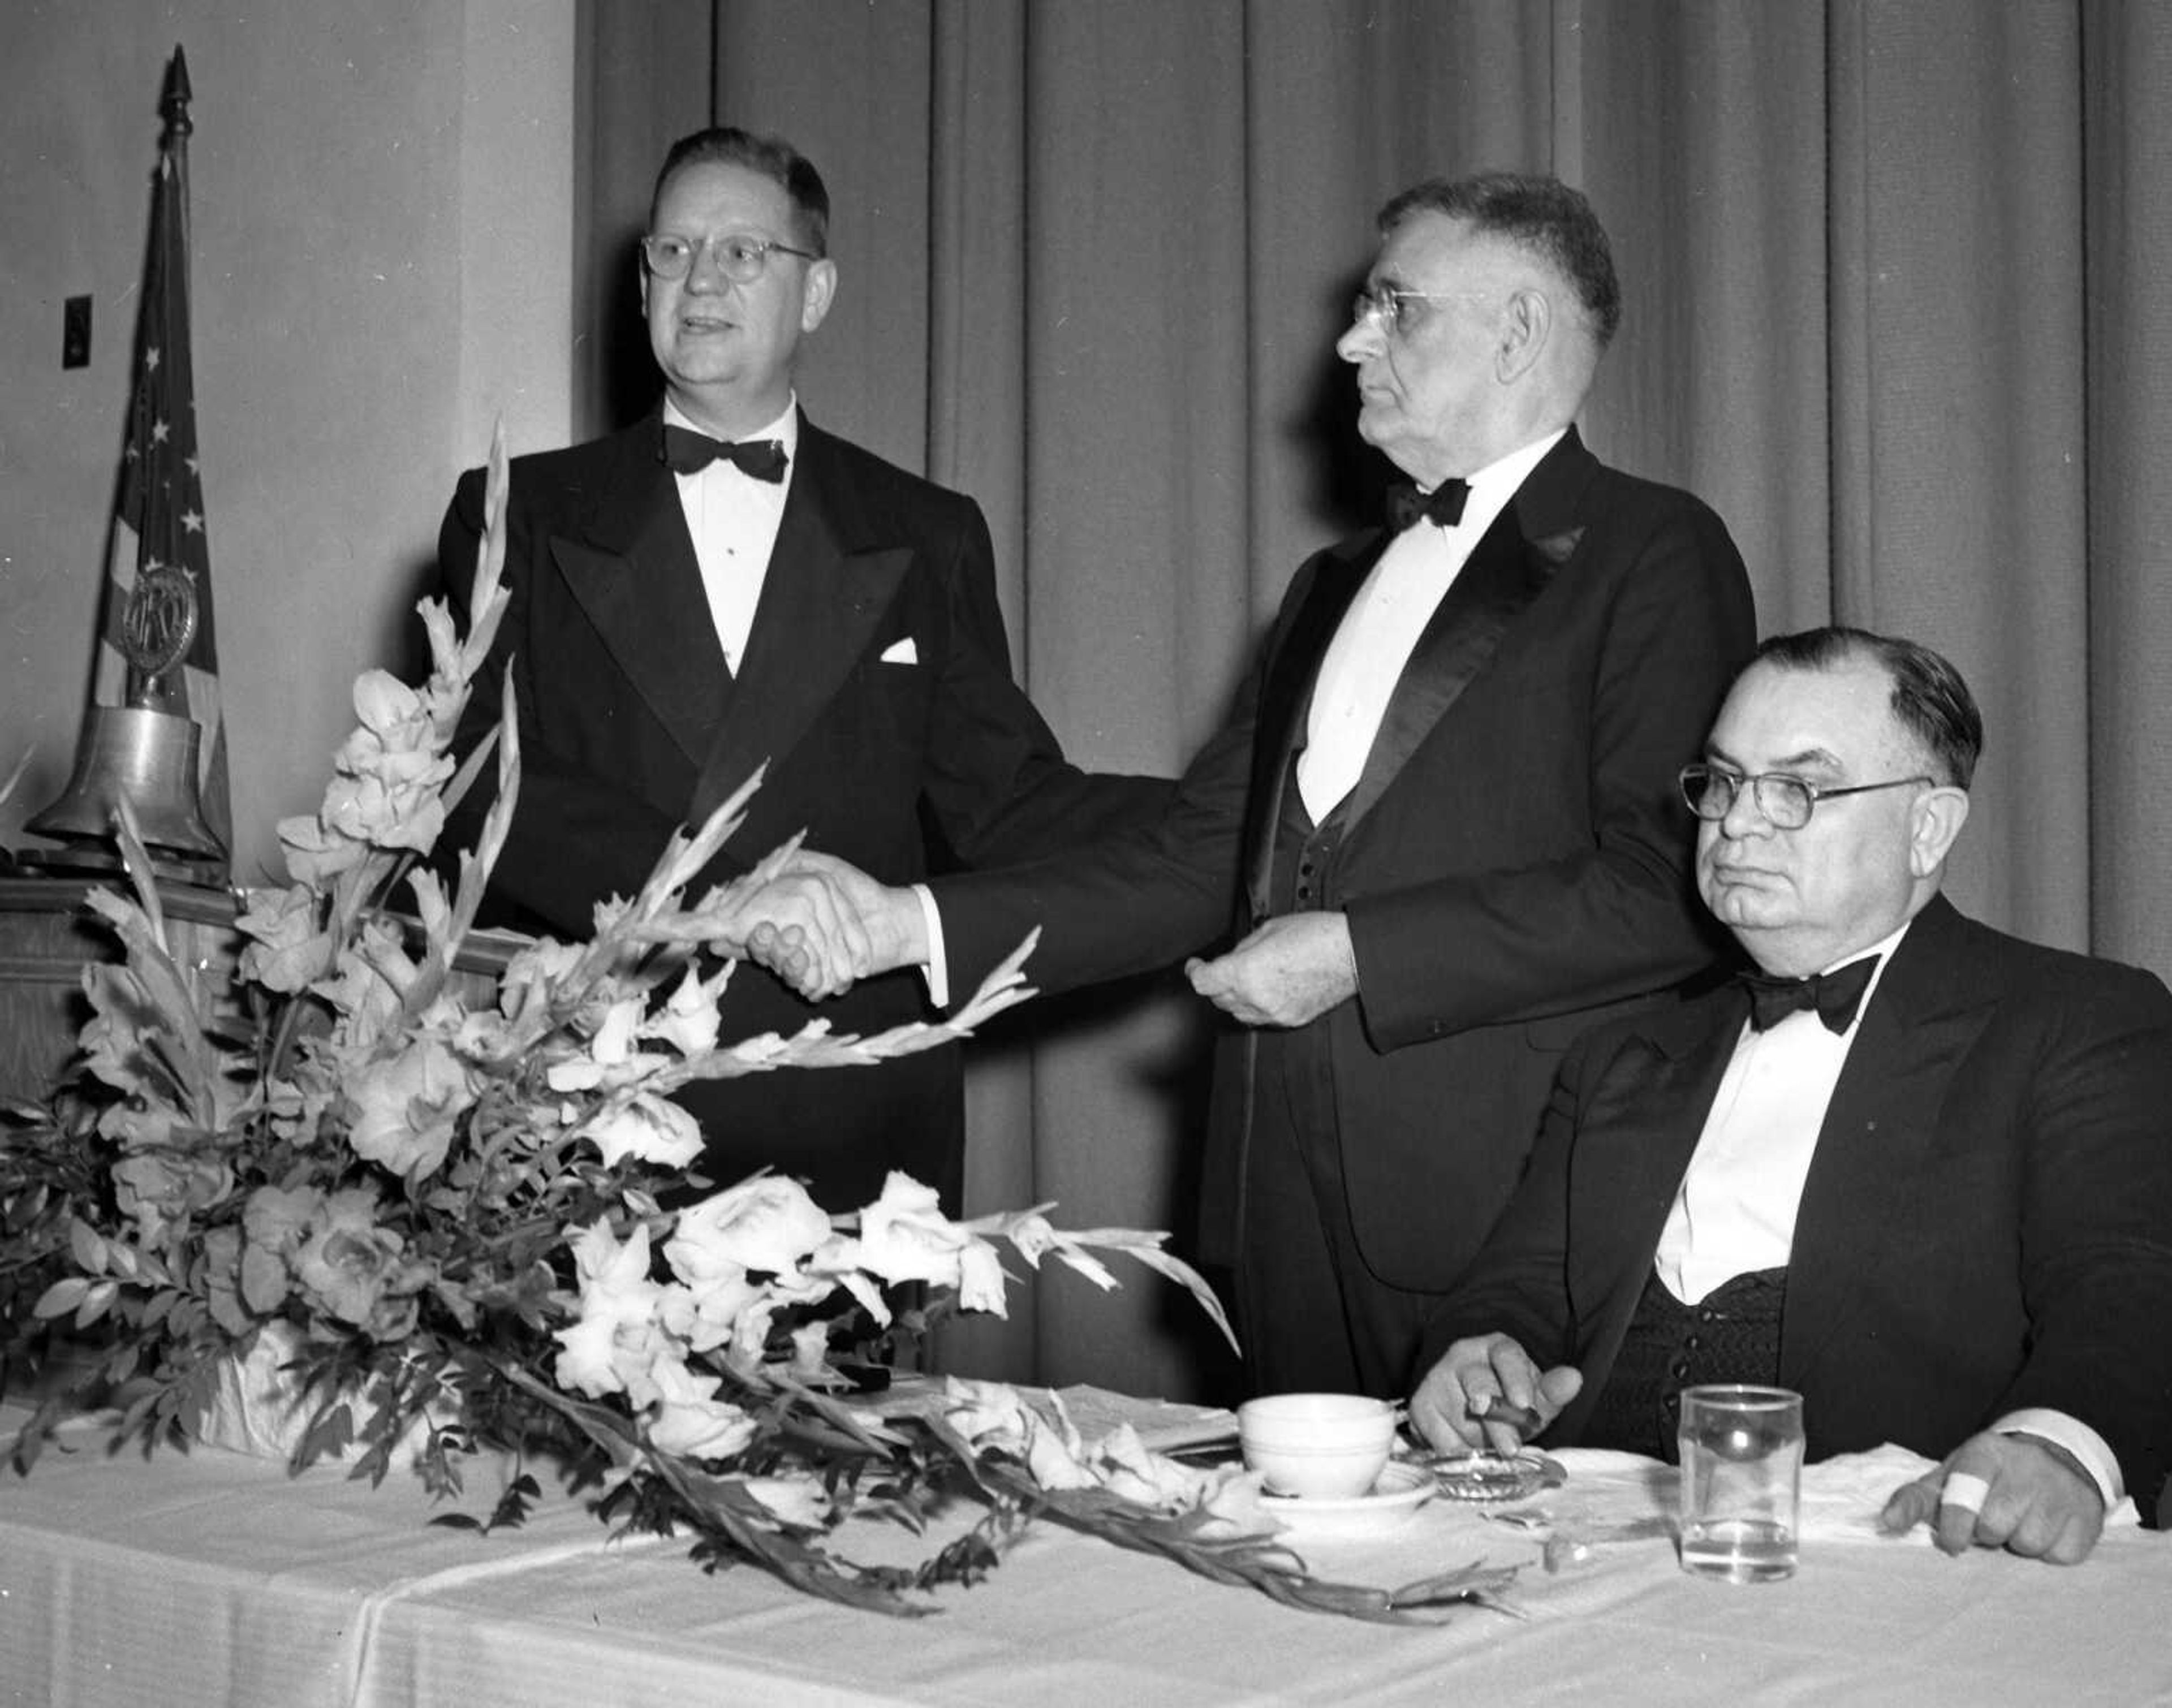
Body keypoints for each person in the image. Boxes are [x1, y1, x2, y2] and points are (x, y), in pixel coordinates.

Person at [766, 172, 1756, 1396]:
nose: (1350, 340)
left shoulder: (1656, 551)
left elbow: (1672, 888)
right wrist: (900, 925)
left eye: (1394, 305)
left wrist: (1359, 951)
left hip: (1504, 1219)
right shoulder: (1330, 584)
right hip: (1277, 1212)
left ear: (1519, 331)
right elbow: (1198, 862)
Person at [434, 126, 1167, 1213]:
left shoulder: (929, 531)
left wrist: (1227, 832)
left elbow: (1005, 801)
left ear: (815, 293)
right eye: (673, 253)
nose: (701, 281)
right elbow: (476, 790)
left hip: (853, 1123)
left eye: (743, 253)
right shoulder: (519, 512)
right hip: (593, 1105)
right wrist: (715, 887)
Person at [1408, 628, 2172, 1564]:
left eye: (1797, 790)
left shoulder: (2076, 1018)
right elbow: (1517, 1287)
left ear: (1928, 827)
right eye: (1723, 783)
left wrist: (2058, 1444)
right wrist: (1479, 1355)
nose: (1735, 824)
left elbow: (2127, 1285)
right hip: (1582, 1543)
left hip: (1884, 1565)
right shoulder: (1624, 1049)